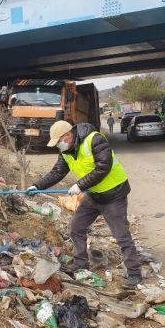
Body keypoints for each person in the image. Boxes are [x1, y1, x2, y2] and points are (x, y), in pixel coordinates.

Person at [26, 120, 142, 289]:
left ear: (68, 135)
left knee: (121, 235)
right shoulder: (66, 151)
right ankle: (80, 263)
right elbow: (57, 172)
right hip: (94, 194)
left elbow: (103, 167)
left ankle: (134, 273)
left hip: (114, 194)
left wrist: (80, 185)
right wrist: (37, 186)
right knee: (76, 227)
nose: (59, 146)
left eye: (59, 142)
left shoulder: (94, 140)